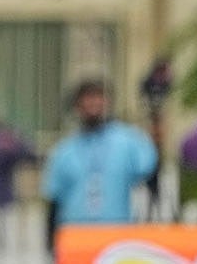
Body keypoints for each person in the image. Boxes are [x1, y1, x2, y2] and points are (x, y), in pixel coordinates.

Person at [41, 79, 157, 254]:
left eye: (98, 98)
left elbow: (151, 174)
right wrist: (51, 242)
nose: (93, 104)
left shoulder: (128, 141)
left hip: (116, 237)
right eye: (87, 99)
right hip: (76, 238)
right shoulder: (64, 151)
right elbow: (54, 200)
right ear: (77, 105)